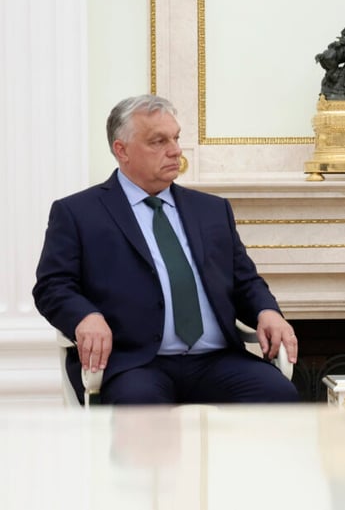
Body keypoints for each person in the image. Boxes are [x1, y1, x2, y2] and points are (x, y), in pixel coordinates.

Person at [33, 94, 299, 405]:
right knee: (141, 412)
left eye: (175, 138)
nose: (175, 150)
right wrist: (86, 317)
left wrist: (268, 312)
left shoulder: (211, 210)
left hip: (217, 360)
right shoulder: (79, 212)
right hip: (135, 363)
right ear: (122, 150)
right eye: (158, 141)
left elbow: (245, 281)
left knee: (279, 396)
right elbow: (53, 286)